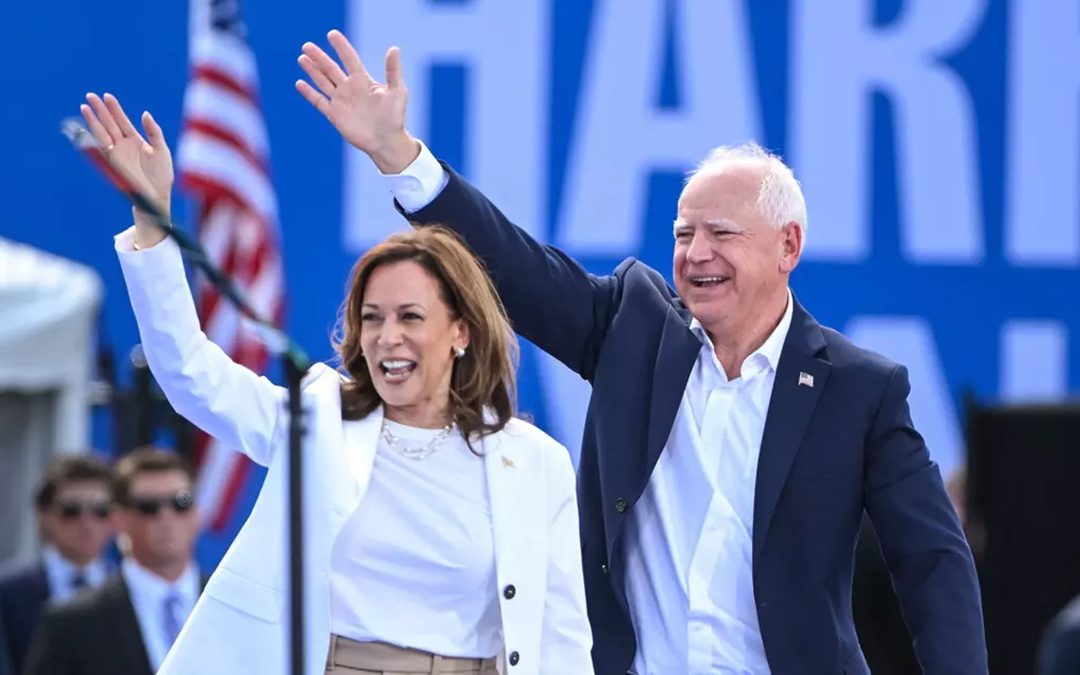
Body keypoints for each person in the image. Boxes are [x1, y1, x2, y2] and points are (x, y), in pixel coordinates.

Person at [294, 29, 988, 674]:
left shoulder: (858, 389)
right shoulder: (635, 328)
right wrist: (402, 160)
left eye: (721, 233)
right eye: (684, 234)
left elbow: (932, 560)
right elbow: (518, 266)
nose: (695, 254)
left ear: (789, 246)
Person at [69, 92, 592, 675]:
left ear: (461, 332)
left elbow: (562, 634)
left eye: (410, 318)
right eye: (372, 318)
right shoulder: (316, 419)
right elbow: (190, 373)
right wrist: (153, 220)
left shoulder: (536, 462)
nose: (386, 337)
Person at [24, 447, 202, 675]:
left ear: (197, 512)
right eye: (149, 507)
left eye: (181, 502)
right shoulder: (72, 622)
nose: (166, 517)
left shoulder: (238, 603)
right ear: (119, 520)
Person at [0, 454, 114, 674]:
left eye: (100, 510)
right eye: (72, 510)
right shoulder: (8, 592)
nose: (87, 522)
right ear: (44, 517)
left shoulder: (129, 589)